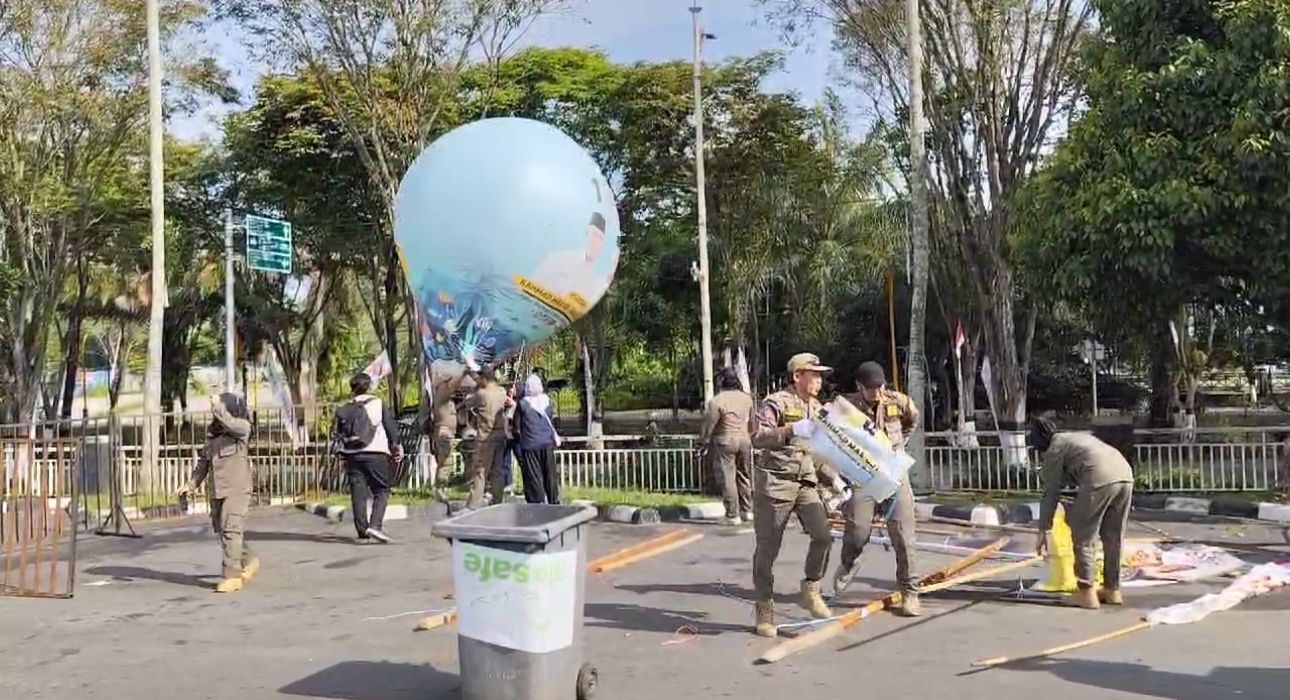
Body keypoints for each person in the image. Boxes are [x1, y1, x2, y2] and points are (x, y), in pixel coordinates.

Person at [750, 353, 838, 638]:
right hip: (775, 483)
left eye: (820, 375)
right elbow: (758, 437)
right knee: (768, 550)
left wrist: (835, 480)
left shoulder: (819, 409)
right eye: (813, 374)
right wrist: (790, 430)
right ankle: (764, 610)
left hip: (805, 483)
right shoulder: (776, 402)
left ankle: (810, 588)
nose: (819, 380)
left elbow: (818, 451)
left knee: (823, 535)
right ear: (797, 376)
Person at [833, 361, 922, 616]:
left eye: (880, 386)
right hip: (864, 475)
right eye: (871, 388)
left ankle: (909, 592)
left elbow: (911, 421)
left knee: (904, 537)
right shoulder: (845, 408)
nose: (877, 392)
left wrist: (899, 445)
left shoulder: (898, 401)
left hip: (894, 473)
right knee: (858, 531)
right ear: (859, 386)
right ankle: (849, 562)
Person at [1031, 417, 1135, 609]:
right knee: (1113, 537)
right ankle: (1112, 589)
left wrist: (1043, 530)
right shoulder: (1073, 439)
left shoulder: (1055, 448)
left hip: (1099, 477)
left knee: (1083, 537)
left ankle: (1086, 592)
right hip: (1125, 474)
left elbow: (1050, 493)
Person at [178, 393, 259, 593]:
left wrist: (218, 405)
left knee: (231, 528)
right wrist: (191, 485)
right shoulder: (213, 436)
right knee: (222, 530)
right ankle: (249, 559)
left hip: (237, 489)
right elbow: (203, 464)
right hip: (218, 490)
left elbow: (229, 422)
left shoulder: (242, 429)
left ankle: (232, 576)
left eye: (222, 407)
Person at [334, 373, 403, 544]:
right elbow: (390, 427)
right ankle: (376, 525)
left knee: (358, 493)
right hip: (375, 452)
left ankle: (362, 530)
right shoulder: (377, 403)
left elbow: (337, 435)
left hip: (351, 455)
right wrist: (397, 445)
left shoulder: (344, 408)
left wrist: (338, 457)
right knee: (382, 489)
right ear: (369, 386)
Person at [700, 367, 754, 525]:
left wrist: (703, 440)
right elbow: (753, 422)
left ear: (721, 381)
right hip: (745, 439)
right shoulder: (747, 399)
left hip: (725, 440)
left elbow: (710, 424)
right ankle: (747, 511)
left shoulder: (717, 400)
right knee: (744, 475)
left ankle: (732, 515)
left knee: (728, 477)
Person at [530, 211, 618, 305]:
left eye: (600, 238)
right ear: (586, 234)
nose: (595, 241)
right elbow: (535, 283)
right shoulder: (558, 259)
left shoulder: (594, 283)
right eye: (594, 234)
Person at [513, 374, 562, 504]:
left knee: (534, 476)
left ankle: (538, 503)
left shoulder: (523, 404)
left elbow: (516, 428)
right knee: (550, 474)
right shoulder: (549, 402)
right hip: (547, 443)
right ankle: (554, 501)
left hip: (530, 445)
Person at [464, 368, 509, 509]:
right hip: (501, 435)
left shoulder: (481, 394)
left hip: (485, 438)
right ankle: (497, 500)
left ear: (484, 378)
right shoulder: (502, 392)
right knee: (497, 471)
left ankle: (474, 504)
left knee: (480, 471)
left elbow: (467, 402)